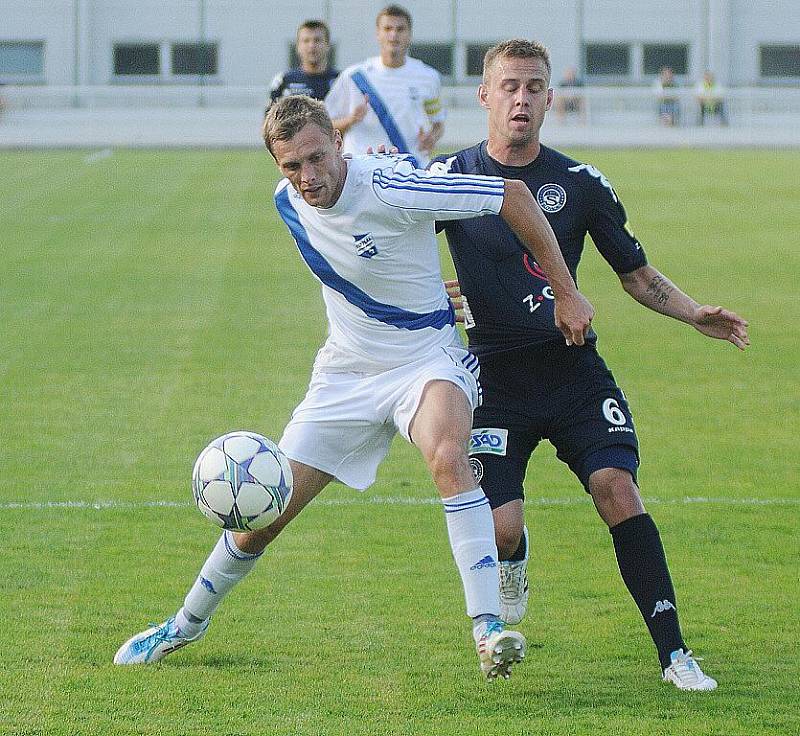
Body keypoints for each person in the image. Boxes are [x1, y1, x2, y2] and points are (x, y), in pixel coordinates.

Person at [113, 95, 594, 680]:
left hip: (425, 359)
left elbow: (512, 196)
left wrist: (566, 292)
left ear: (339, 143)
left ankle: (489, 629)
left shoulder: (392, 186)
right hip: (345, 373)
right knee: (266, 513)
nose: (308, 178)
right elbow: (364, 268)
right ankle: (184, 625)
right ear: (277, 166)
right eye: (292, 166)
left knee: (448, 455)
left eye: (317, 158)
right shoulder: (286, 203)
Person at [430, 39, 749, 691]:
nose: (522, 98)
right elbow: (391, 255)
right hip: (493, 378)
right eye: (510, 86)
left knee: (617, 489)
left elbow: (634, 273)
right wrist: (434, 297)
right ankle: (512, 560)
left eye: (535, 87)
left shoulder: (578, 184)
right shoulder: (451, 178)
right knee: (501, 525)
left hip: (573, 372)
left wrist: (692, 313)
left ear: (551, 97)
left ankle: (674, 654)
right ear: (485, 96)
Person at [324, 4, 444, 166]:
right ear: (378, 34)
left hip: (409, 169)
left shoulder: (428, 76)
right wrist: (350, 120)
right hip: (362, 168)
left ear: (410, 34)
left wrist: (432, 138)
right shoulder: (354, 76)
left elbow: (437, 123)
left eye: (400, 29)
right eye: (387, 29)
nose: (393, 35)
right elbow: (325, 124)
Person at [267, 20, 339, 110]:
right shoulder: (283, 80)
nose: (311, 45)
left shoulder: (340, 80)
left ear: (327, 45)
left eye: (317, 40)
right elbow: (269, 121)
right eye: (306, 41)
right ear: (297, 46)